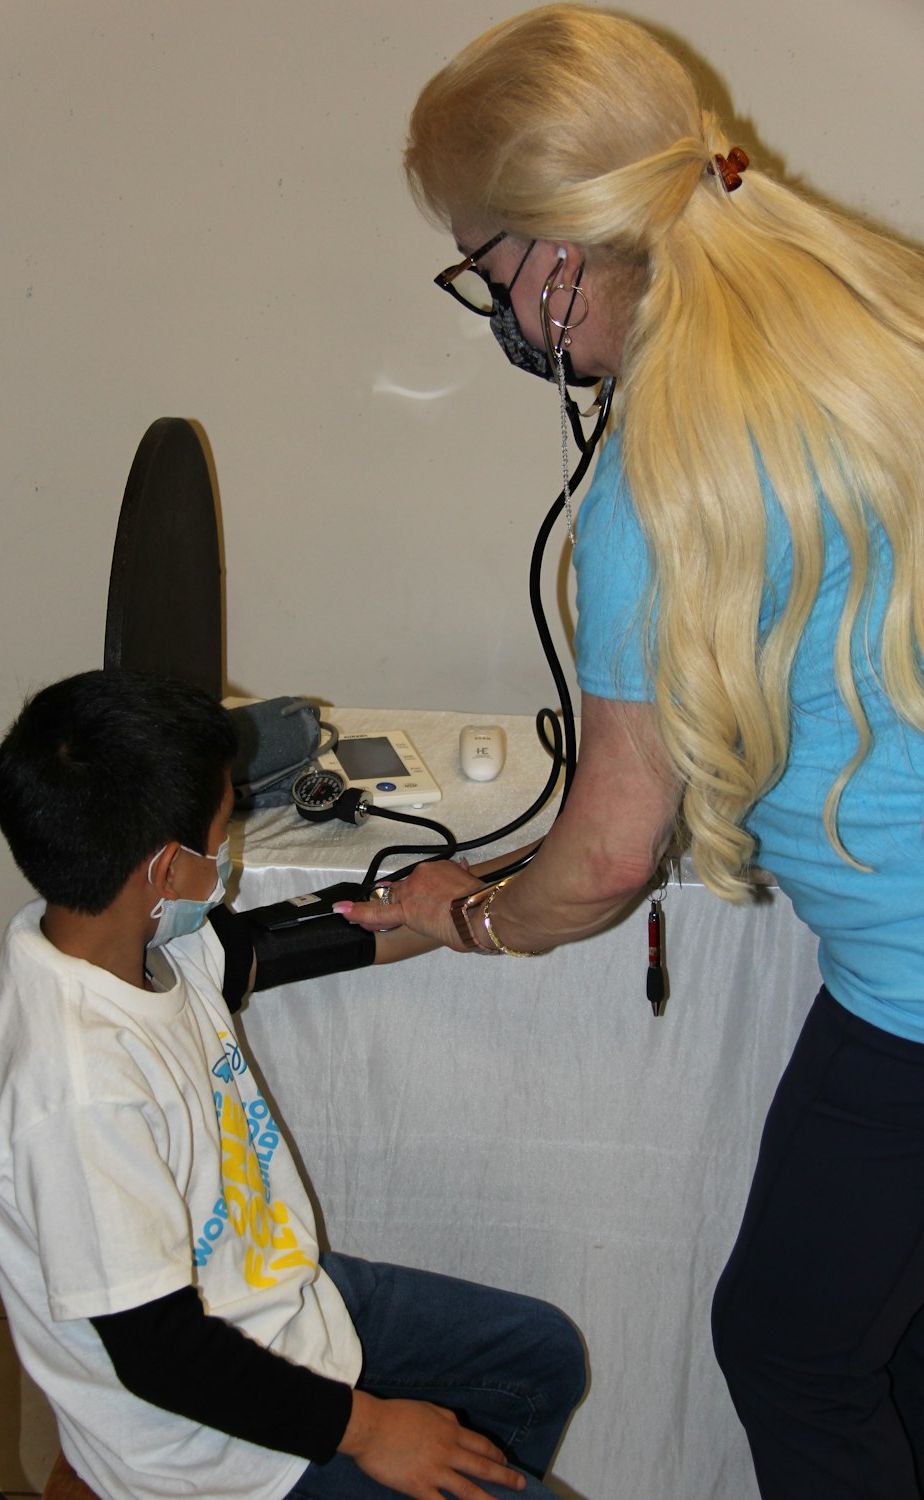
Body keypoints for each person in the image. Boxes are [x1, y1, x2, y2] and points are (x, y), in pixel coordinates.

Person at [333, 8, 924, 1498]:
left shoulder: (656, 482)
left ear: (560, 253)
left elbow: (603, 858)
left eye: (483, 266)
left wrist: (464, 915)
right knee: (890, 1338)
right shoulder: (885, 317)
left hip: (915, 1000)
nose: (493, 307)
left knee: (788, 1348)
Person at [0, 669, 586, 1500]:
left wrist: (466, 898)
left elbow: (298, 940)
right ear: (164, 872)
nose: (228, 856)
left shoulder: (120, 937)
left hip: (269, 1297)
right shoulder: (76, 1089)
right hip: (205, 1452)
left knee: (540, 1355)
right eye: (223, 832)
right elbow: (162, 1357)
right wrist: (372, 1429)